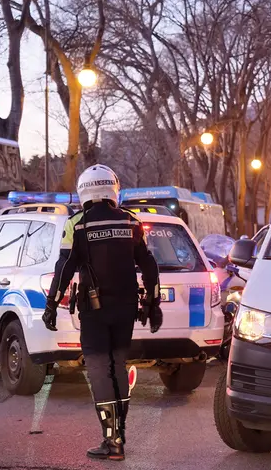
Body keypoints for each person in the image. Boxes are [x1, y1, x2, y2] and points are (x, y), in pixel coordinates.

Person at [42, 164, 161, 461]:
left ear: (85, 190)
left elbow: (65, 267)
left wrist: (52, 305)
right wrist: (153, 303)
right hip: (125, 308)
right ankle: (120, 434)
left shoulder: (78, 224)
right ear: (113, 188)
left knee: (98, 370)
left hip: (94, 310)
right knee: (118, 366)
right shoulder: (131, 222)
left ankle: (111, 441)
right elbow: (148, 264)